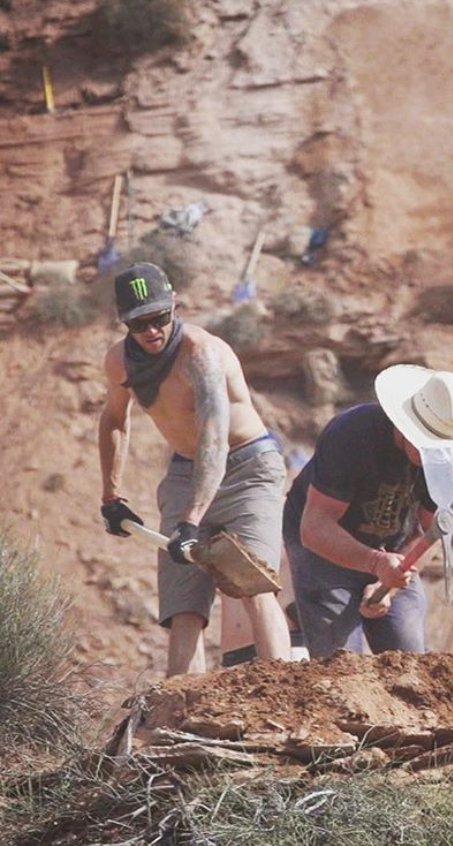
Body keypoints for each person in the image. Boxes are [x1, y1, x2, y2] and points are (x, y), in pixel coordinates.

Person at [98, 262, 293, 676]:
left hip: (248, 468)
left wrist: (191, 520)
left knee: (255, 584)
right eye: (138, 324)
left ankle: (283, 689)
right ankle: (183, 702)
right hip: (186, 472)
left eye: (159, 317)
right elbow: (114, 419)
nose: (152, 331)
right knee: (182, 605)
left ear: (174, 306)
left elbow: (214, 440)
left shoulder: (201, 354)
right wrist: (111, 495)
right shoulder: (120, 362)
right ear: (124, 322)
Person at [282, 365, 453, 659]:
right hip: (324, 548)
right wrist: (375, 562)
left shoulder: (448, 459)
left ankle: (310, 614)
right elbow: (315, 528)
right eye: (426, 445)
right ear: (405, 426)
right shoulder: (352, 434)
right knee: (341, 663)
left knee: (410, 661)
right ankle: (308, 614)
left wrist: (389, 584)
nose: (432, 456)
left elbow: (431, 531)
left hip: (393, 552)